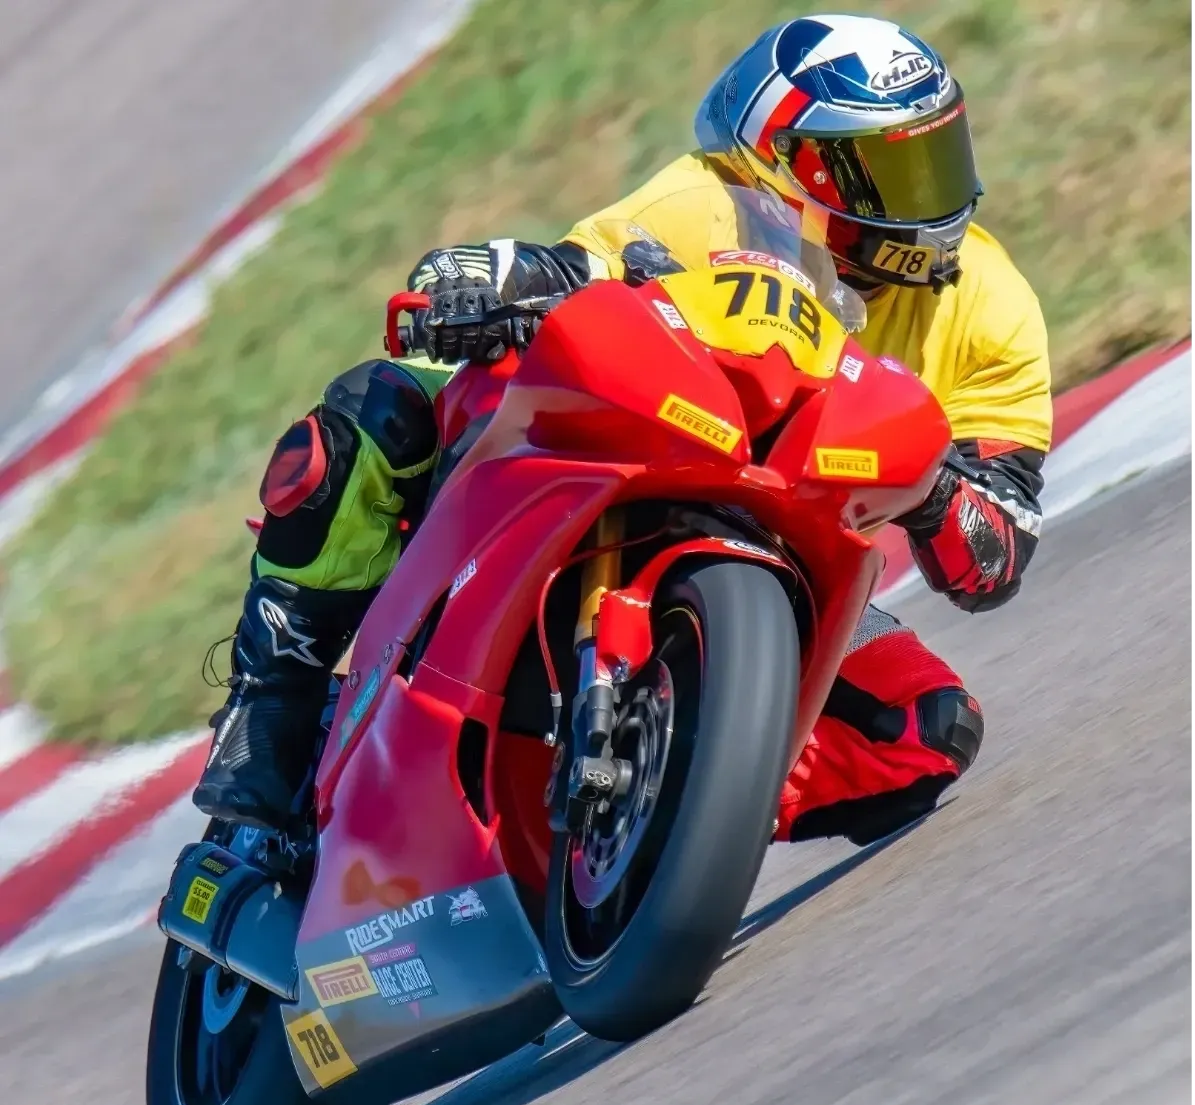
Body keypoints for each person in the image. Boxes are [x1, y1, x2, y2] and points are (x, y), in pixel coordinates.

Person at [193, 13, 1049, 847]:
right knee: (375, 412)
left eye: (938, 156)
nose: (929, 200)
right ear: (789, 167)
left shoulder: (992, 305)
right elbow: (583, 282)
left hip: (788, 568)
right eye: (884, 170)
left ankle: (671, 809)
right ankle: (272, 700)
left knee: (922, 730)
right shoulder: (706, 202)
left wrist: (935, 484)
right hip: (635, 466)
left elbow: (995, 554)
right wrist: (498, 276)